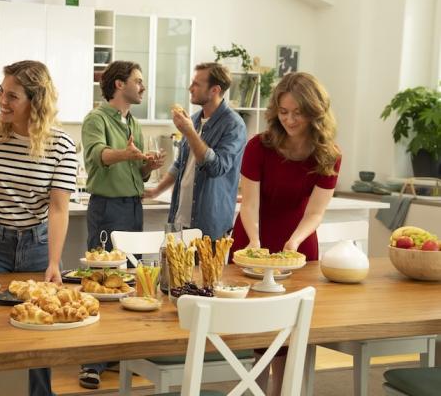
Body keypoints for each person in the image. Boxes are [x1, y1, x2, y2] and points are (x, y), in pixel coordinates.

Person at [0, 60, 77, 396]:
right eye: (1, 93)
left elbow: (58, 208)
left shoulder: (62, 146)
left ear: (35, 102)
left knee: (39, 336)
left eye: (12, 96)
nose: (2, 101)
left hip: (37, 246)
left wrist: (54, 263)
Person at [231, 72, 342, 395]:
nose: (290, 119)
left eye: (298, 112)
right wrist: (254, 243)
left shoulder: (329, 154)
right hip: (253, 235)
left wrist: (293, 243)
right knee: (257, 325)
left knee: (293, 324)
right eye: (283, 112)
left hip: (298, 240)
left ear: (315, 111)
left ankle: (281, 391)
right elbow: (249, 204)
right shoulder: (259, 146)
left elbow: (316, 211)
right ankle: (256, 387)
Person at [79, 60, 164, 389]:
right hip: (107, 209)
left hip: (133, 207)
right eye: (138, 81)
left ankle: (122, 352)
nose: (142, 87)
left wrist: (148, 164)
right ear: (118, 84)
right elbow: (98, 155)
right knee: (101, 282)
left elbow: (138, 172)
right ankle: (91, 363)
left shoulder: (134, 123)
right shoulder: (95, 119)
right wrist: (128, 155)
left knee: (131, 282)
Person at [144, 62, 246, 239]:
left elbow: (216, 168)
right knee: (172, 268)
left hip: (208, 225)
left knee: (205, 268)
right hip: (178, 221)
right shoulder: (194, 119)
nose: (190, 88)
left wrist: (189, 132)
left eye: (196, 84)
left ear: (215, 90)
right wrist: (156, 191)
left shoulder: (233, 125)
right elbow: (181, 164)